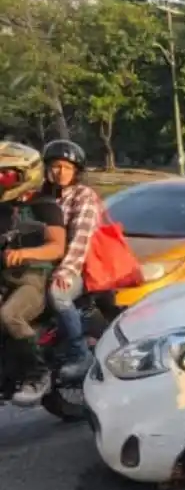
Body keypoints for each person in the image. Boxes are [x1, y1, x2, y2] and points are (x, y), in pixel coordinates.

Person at [0, 142, 67, 406]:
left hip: (33, 276)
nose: (1, 180)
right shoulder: (4, 207)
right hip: (5, 276)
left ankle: (38, 373)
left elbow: (57, 246)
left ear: (26, 174)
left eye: (6, 175)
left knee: (9, 316)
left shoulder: (44, 206)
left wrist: (25, 254)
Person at [41, 140, 100, 381]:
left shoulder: (83, 196)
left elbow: (80, 239)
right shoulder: (42, 196)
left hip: (79, 267)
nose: (61, 172)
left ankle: (80, 354)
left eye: (67, 167)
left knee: (58, 294)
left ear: (76, 171)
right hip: (46, 263)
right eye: (56, 166)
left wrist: (66, 270)